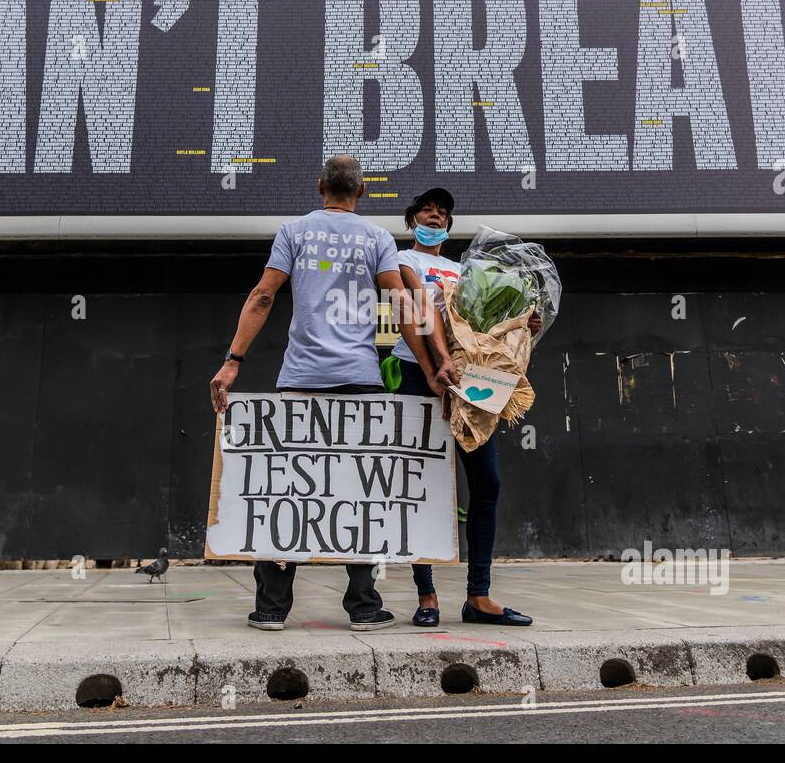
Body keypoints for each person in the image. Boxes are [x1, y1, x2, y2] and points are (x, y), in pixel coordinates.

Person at [208, 156, 456, 633]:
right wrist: (429, 368)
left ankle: (271, 609)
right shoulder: (377, 239)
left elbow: (263, 296)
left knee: (287, 486)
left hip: (301, 377)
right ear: (361, 193)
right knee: (360, 488)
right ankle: (364, 607)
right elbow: (402, 304)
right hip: (360, 379)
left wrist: (232, 361)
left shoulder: (294, 231)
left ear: (319, 186)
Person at [391, 187, 540, 627]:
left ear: (450, 226)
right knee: (421, 484)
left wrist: (522, 319)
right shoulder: (404, 261)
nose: (435, 217)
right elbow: (417, 309)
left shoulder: (466, 270)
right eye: (427, 211)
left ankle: (479, 595)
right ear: (412, 220)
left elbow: (489, 325)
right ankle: (426, 595)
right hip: (420, 374)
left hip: (473, 378)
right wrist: (437, 363)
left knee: (487, 482)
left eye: (442, 214)